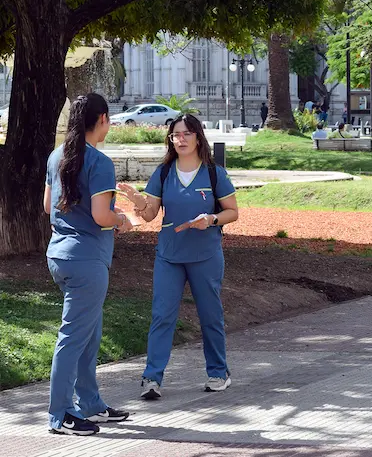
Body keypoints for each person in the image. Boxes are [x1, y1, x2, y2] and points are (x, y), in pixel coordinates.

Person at [117, 114, 239, 399]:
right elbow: (148, 215)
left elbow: (232, 212)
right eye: (175, 135)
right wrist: (136, 199)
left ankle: (218, 373)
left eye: (186, 134)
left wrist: (210, 219)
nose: (180, 139)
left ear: (198, 137)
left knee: (210, 316)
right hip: (169, 256)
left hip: (206, 256)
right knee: (162, 315)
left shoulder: (214, 173)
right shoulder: (162, 172)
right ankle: (152, 378)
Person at [43, 93, 132, 436]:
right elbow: (100, 215)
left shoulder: (56, 156)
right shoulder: (100, 162)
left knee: (88, 335)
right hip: (87, 260)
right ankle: (61, 413)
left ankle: (91, 404)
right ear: (103, 120)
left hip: (60, 255)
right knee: (72, 336)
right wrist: (120, 218)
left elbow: (48, 206)